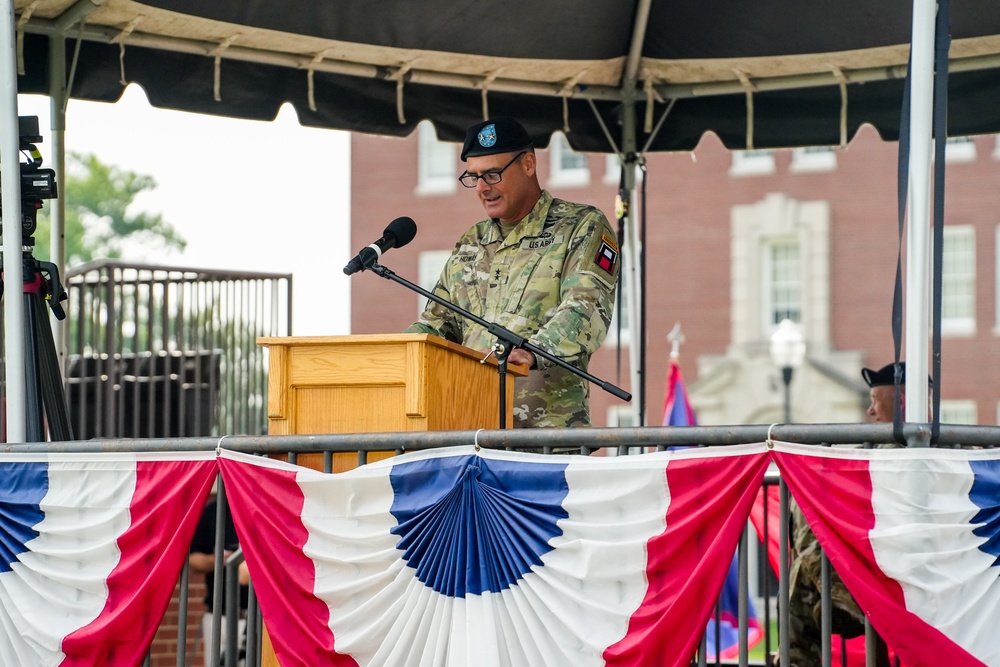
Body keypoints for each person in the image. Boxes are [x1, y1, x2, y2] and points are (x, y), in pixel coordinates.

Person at [405, 117, 619, 428]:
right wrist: (393, 355)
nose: (482, 188)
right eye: (474, 177)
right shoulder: (471, 242)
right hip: (469, 432)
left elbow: (586, 309)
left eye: (492, 174)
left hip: (546, 440)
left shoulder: (580, 226)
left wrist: (533, 352)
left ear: (529, 164)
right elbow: (437, 324)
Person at [785, 362, 930, 666]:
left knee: (803, 572)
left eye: (875, 401)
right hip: (894, 573)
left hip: (893, 578)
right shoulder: (963, 449)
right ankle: (839, 594)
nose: (869, 411)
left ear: (902, 401)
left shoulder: (887, 456)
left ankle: (838, 597)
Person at [189, 494, 250, 667]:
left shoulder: (260, 508)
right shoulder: (212, 512)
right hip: (218, 616)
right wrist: (217, 560)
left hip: (252, 617)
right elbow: (193, 559)